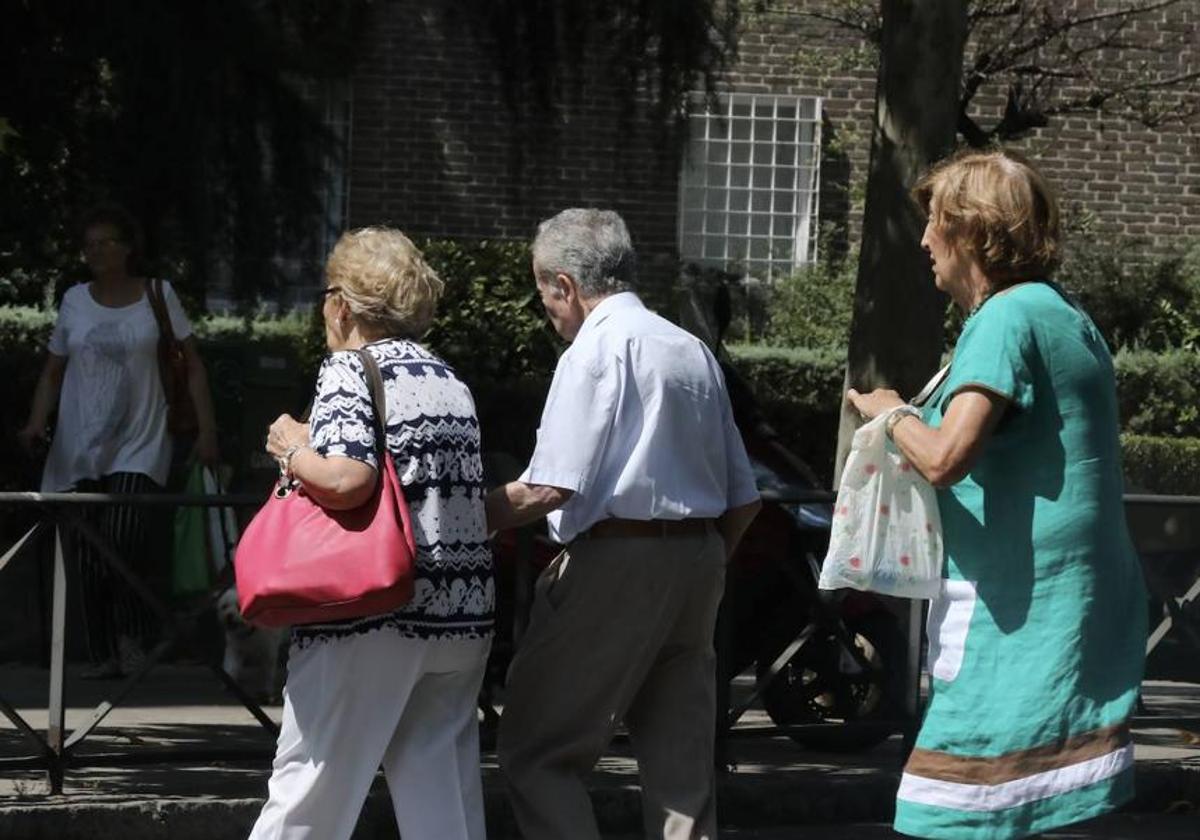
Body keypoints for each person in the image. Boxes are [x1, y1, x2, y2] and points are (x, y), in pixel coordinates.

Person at [845, 150, 1147, 839]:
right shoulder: (1065, 314)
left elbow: (948, 457)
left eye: (936, 225)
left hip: (1016, 611)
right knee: (1037, 811)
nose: (924, 241)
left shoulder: (1004, 320)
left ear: (974, 232)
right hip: (1071, 600)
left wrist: (892, 413)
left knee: (950, 816)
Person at [486, 208, 762, 840]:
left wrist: (452, 516)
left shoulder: (595, 350)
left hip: (617, 558)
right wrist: (703, 558)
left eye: (543, 294)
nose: (547, 310)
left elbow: (549, 486)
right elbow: (745, 498)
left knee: (537, 753)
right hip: (698, 559)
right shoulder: (688, 347)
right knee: (681, 773)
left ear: (565, 285)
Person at [249, 227, 494, 840]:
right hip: (461, 620)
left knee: (309, 787)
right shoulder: (447, 378)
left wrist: (291, 449)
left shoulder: (347, 370)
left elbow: (348, 479)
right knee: (442, 794)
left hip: (370, 619)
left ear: (341, 304)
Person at [17, 203, 219, 678]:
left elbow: (191, 364)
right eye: (89, 244)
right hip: (79, 444)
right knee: (87, 553)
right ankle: (105, 652)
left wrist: (207, 431)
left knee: (122, 538)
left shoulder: (157, 294)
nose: (96, 251)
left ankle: (135, 640)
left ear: (128, 248)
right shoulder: (74, 300)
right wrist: (34, 421)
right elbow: (54, 370)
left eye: (106, 241)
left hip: (142, 439)